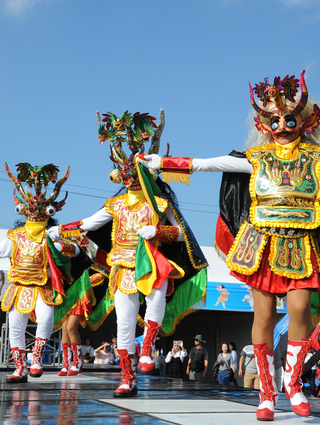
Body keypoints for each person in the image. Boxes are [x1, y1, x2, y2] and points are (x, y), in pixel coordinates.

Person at [140, 70, 320, 420]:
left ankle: (293, 381)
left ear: (305, 120)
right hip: (262, 243)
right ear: (264, 122)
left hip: (302, 242)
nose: (283, 125)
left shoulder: (317, 159)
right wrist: (163, 163)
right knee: (265, 314)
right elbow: (209, 163)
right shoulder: (255, 158)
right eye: (275, 119)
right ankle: (267, 393)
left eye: (289, 118)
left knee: (301, 309)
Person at [50, 110, 207, 397]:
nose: (130, 177)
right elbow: (88, 224)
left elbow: (182, 233)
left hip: (153, 264)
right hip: (122, 267)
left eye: (135, 171)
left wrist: (158, 233)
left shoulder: (159, 203)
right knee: (123, 321)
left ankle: (147, 346)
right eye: (126, 172)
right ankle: (127, 377)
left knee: (156, 299)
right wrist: (61, 230)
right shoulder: (116, 204)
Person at [0, 162, 90, 382]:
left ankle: (36, 360)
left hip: (42, 287)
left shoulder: (50, 237)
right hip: (18, 288)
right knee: (16, 327)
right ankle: (20, 368)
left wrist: (61, 244)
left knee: (45, 321)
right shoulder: (16, 236)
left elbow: (75, 251)